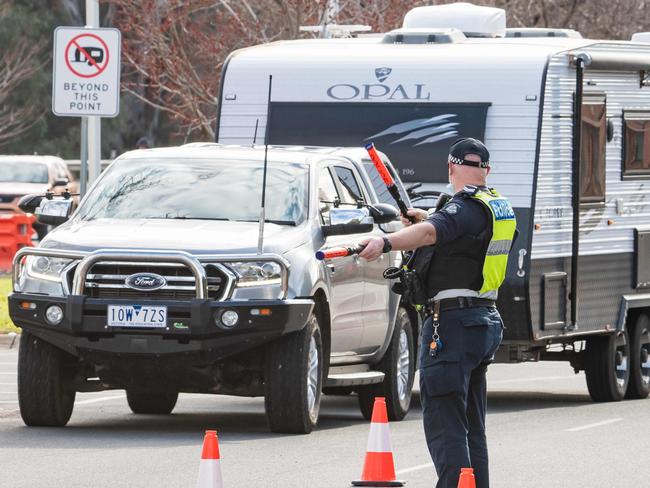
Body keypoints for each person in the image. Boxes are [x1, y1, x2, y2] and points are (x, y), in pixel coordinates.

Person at [359, 138, 517, 488]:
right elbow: (457, 236)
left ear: (450, 167)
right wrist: (428, 217)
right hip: (483, 321)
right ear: (486, 170)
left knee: (446, 424)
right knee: (471, 427)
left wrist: (384, 242)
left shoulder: (463, 208)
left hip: (452, 326)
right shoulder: (496, 206)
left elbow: (432, 232)